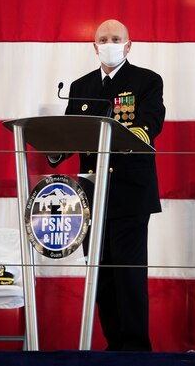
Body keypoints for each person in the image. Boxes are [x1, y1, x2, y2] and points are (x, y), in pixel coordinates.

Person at [51, 19, 165, 351]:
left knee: (128, 275)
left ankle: (135, 349)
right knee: (101, 278)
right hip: (91, 192)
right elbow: (71, 134)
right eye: (104, 38)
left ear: (128, 46)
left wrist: (113, 135)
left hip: (129, 192)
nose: (109, 43)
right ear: (94, 45)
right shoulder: (81, 86)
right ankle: (113, 345)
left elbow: (149, 126)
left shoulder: (146, 81)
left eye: (116, 38)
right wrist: (54, 149)